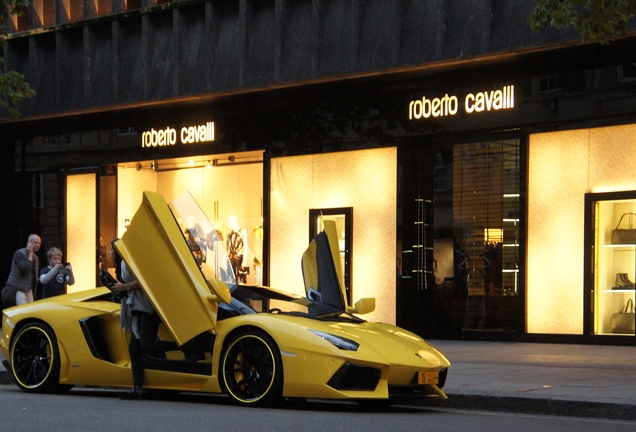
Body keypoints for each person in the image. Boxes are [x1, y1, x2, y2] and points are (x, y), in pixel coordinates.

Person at [110, 242, 203, 400]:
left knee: (145, 345)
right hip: (138, 309)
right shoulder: (123, 263)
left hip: (147, 307)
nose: (109, 252)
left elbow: (146, 280)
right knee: (134, 348)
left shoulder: (130, 261)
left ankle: (186, 345)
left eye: (112, 249)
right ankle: (137, 387)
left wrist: (125, 287)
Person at [3, 234, 41, 306]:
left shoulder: (36, 258)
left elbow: (35, 277)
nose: (37, 245)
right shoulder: (20, 253)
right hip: (18, 288)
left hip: (29, 290)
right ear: (29, 243)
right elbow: (25, 269)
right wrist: (30, 254)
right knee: (22, 312)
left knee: (31, 312)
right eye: (35, 242)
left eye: (39, 243)